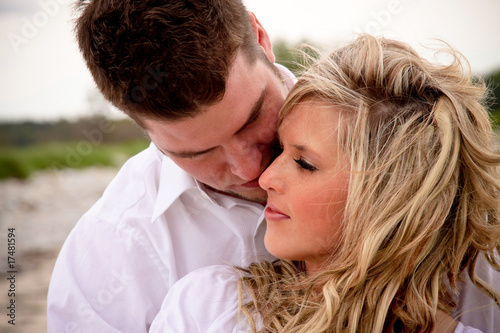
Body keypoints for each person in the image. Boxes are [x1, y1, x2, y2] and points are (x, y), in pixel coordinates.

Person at [47, 0, 499, 331]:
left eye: (252, 121)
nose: (251, 170)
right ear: (139, 127)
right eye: (197, 153)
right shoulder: (112, 253)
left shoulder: (434, 173)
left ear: (260, 38)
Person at [148, 35, 500, 333]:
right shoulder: (211, 308)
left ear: (393, 198)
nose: (265, 177)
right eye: (280, 149)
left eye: (304, 163)